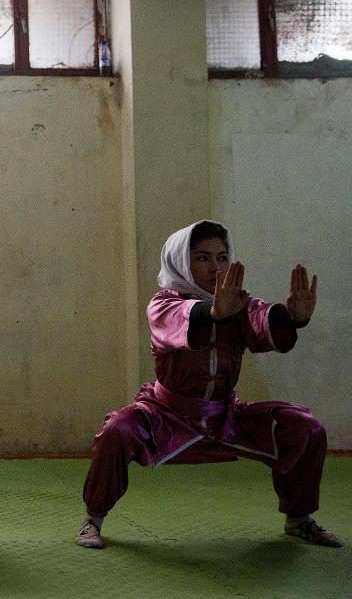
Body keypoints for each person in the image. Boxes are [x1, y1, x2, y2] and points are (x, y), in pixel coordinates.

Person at [76, 220, 341, 549]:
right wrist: (216, 313)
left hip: (225, 419)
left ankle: (299, 519)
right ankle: (93, 519)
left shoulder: (239, 304)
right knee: (117, 430)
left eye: (222, 257)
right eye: (202, 258)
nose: (215, 267)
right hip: (165, 416)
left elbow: (265, 324)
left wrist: (296, 318)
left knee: (306, 428)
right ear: (181, 262)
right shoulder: (163, 304)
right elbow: (193, 319)